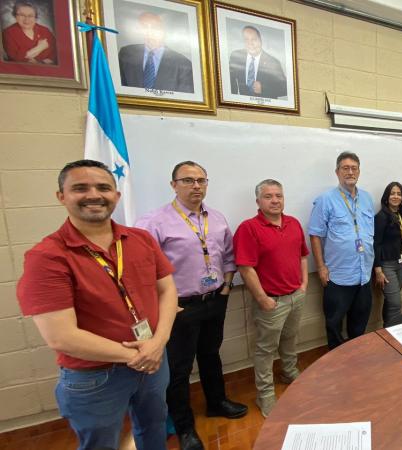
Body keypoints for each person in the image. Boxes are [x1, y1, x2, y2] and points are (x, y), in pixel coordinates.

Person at [16, 159, 178, 450]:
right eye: (80, 188)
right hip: (96, 376)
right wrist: (140, 354)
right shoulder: (47, 257)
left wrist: (158, 343)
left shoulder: (140, 239)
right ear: (61, 196)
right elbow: (61, 336)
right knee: (99, 444)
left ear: (116, 195)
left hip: (154, 360)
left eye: (103, 187)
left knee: (154, 429)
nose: (94, 195)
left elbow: (167, 290)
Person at [135, 161, 246, 450]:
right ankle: (185, 427)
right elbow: (143, 270)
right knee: (179, 368)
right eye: (187, 180)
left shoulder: (218, 218)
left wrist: (225, 287)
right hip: (180, 307)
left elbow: (230, 257)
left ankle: (216, 402)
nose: (196, 186)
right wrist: (166, 305)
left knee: (211, 355)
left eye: (201, 180)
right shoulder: (154, 222)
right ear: (173, 185)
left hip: (214, 301)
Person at [234, 179, 308, 418]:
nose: (275, 200)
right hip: (271, 302)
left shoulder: (294, 223)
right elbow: (245, 268)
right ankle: (264, 394)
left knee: (290, 338)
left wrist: (304, 285)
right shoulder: (249, 228)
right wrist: (262, 298)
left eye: (279, 195)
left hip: (296, 296)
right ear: (258, 201)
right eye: (268, 196)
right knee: (266, 349)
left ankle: (288, 372)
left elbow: (303, 257)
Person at [308, 152, 375, 349]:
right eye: (345, 168)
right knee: (334, 325)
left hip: (364, 275)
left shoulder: (367, 198)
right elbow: (315, 235)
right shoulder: (325, 200)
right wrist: (320, 267)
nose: (350, 172)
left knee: (359, 324)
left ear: (359, 172)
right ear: (337, 172)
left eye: (354, 168)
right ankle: (336, 366)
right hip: (338, 275)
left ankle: (355, 362)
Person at [118, 12, 194, 93]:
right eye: (144, 27)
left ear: (164, 30)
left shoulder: (184, 64)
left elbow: (184, 100)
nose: (149, 32)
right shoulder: (126, 53)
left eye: (155, 27)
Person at [374, 182, 402, 325]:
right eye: (392, 193)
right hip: (386, 266)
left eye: (399, 194)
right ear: (386, 197)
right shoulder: (381, 217)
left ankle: (387, 329)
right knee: (396, 303)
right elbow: (375, 244)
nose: (396, 196)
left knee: (391, 302)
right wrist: (378, 270)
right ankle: (394, 332)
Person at [229, 25, 287, 99]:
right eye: (246, 40)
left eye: (254, 39)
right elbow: (230, 82)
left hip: (265, 107)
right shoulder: (235, 56)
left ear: (260, 40)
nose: (250, 43)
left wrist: (263, 88)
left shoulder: (273, 62)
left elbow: (285, 88)